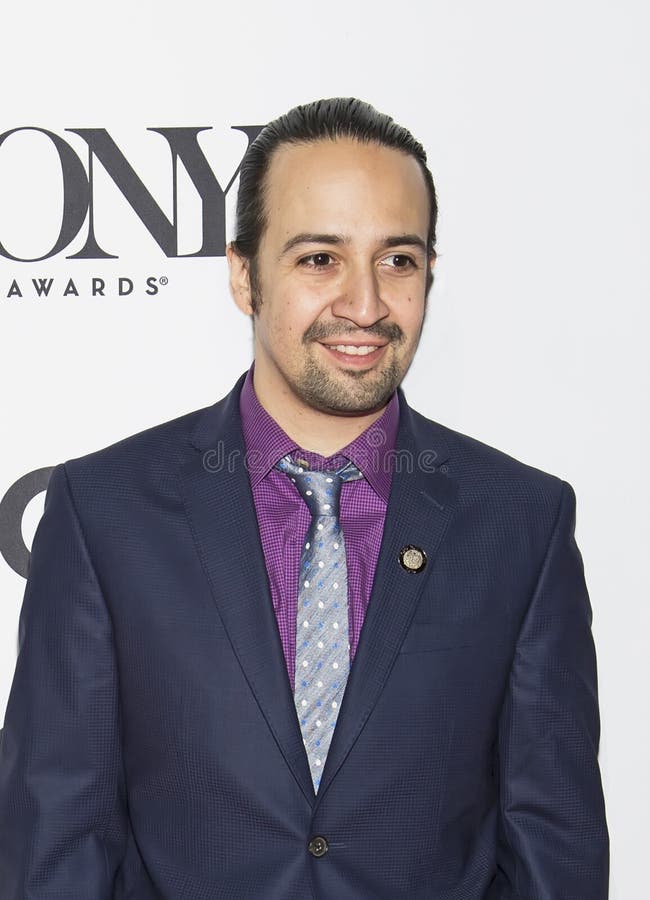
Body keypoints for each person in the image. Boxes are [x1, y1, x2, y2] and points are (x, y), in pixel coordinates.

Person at [0, 98, 609, 899]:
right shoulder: (103, 512)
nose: (364, 305)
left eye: (397, 259)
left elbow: (554, 846)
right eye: (320, 258)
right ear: (243, 274)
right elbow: (54, 840)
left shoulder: (522, 523)